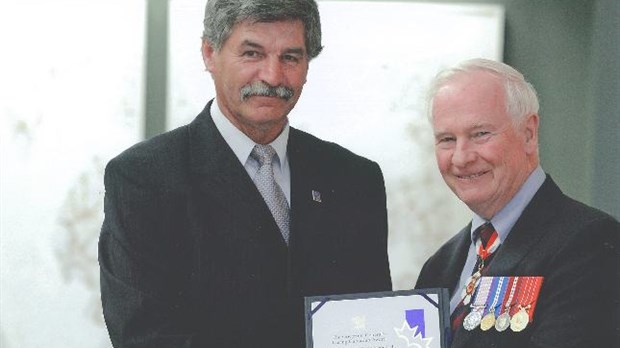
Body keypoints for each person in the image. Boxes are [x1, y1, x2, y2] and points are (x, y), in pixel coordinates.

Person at [98, 0, 392, 347]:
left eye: (290, 57)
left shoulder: (354, 180)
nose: (272, 76)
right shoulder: (143, 179)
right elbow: (146, 337)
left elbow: (373, 326)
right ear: (210, 53)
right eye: (252, 54)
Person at [415, 58, 619, 348]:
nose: (461, 157)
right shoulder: (438, 267)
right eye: (447, 139)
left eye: (480, 134)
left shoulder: (589, 243)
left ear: (528, 134)